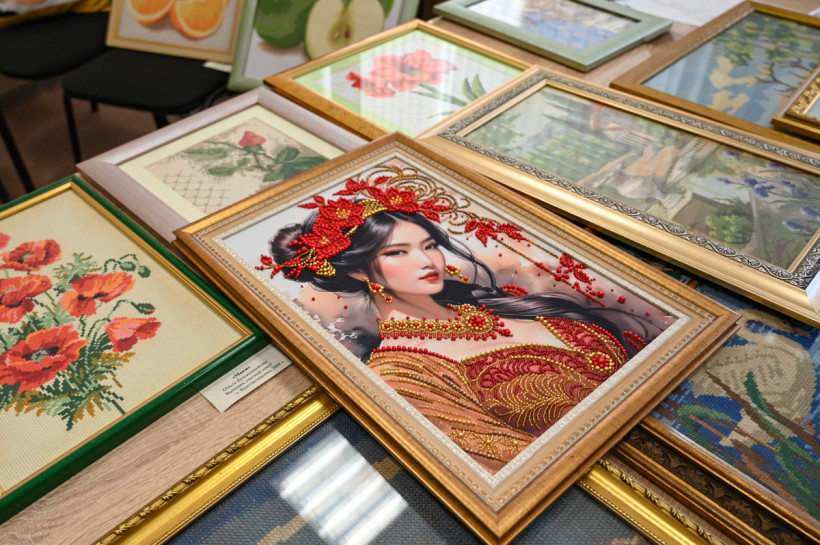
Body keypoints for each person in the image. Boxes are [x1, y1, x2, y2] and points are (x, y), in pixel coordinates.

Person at [264, 173, 665, 474]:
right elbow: (519, 468)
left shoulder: (493, 301)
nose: (427, 261)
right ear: (357, 271)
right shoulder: (402, 376)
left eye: (429, 245)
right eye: (399, 252)